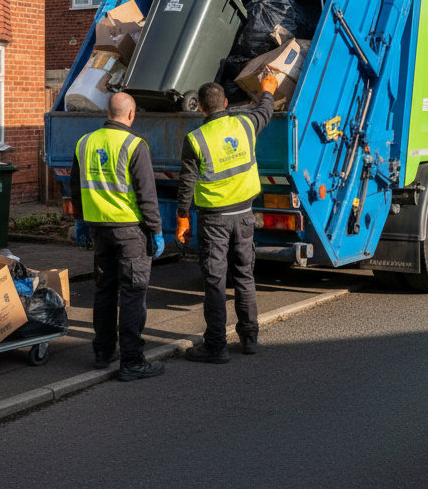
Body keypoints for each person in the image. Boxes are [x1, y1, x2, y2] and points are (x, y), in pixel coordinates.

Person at [175, 72, 278, 363]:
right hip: (244, 216)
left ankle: (216, 346)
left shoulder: (195, 139)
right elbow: (265, 111)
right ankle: (249, 338)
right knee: (245, 276)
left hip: (214, 222)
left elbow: (186, 183)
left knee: (215, 281)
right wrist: (267, 89)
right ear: (227, 103)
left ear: (201, 108)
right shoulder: (245, 123)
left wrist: (183, 218)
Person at [66, 92, 165, 382]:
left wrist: (81, 222)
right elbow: (147, 195)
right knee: (133, 294)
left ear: (108, 112)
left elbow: (76, 187)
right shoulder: (135, 145)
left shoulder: (84, 143)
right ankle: (132, 361)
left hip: (99, 231)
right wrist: (157, 231)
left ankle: (103, 351)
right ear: (131, 114)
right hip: (130, 232)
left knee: (105, 290)